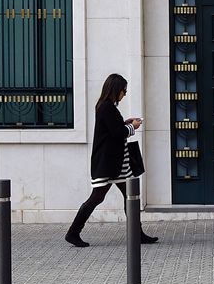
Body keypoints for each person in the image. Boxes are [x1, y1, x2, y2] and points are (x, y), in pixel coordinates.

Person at [65, 73, 158, 247]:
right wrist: (133, 127)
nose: (125, 94)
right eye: (124, 90)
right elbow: (116, 133)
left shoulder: (105, 107)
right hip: (109, 165)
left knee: (130, 197)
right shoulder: (106, 107)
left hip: (117, 164)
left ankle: (137, 234)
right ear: (117, 90)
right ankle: (73, 232)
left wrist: (125, 123)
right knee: (97, 198)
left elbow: (113, 128)